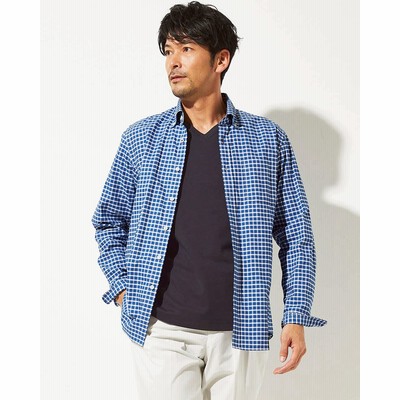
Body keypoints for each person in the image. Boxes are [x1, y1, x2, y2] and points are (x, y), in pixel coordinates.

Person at [92, 2, 326, 399]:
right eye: (168, 51)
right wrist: (124, 289)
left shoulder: (267, 140)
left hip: (241, 331)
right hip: (162, 330)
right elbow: (108, 221)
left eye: (186, 49)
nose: (173, 62)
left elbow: (297, 235)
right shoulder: (141, 139)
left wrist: (295, 315)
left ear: (221, 59)